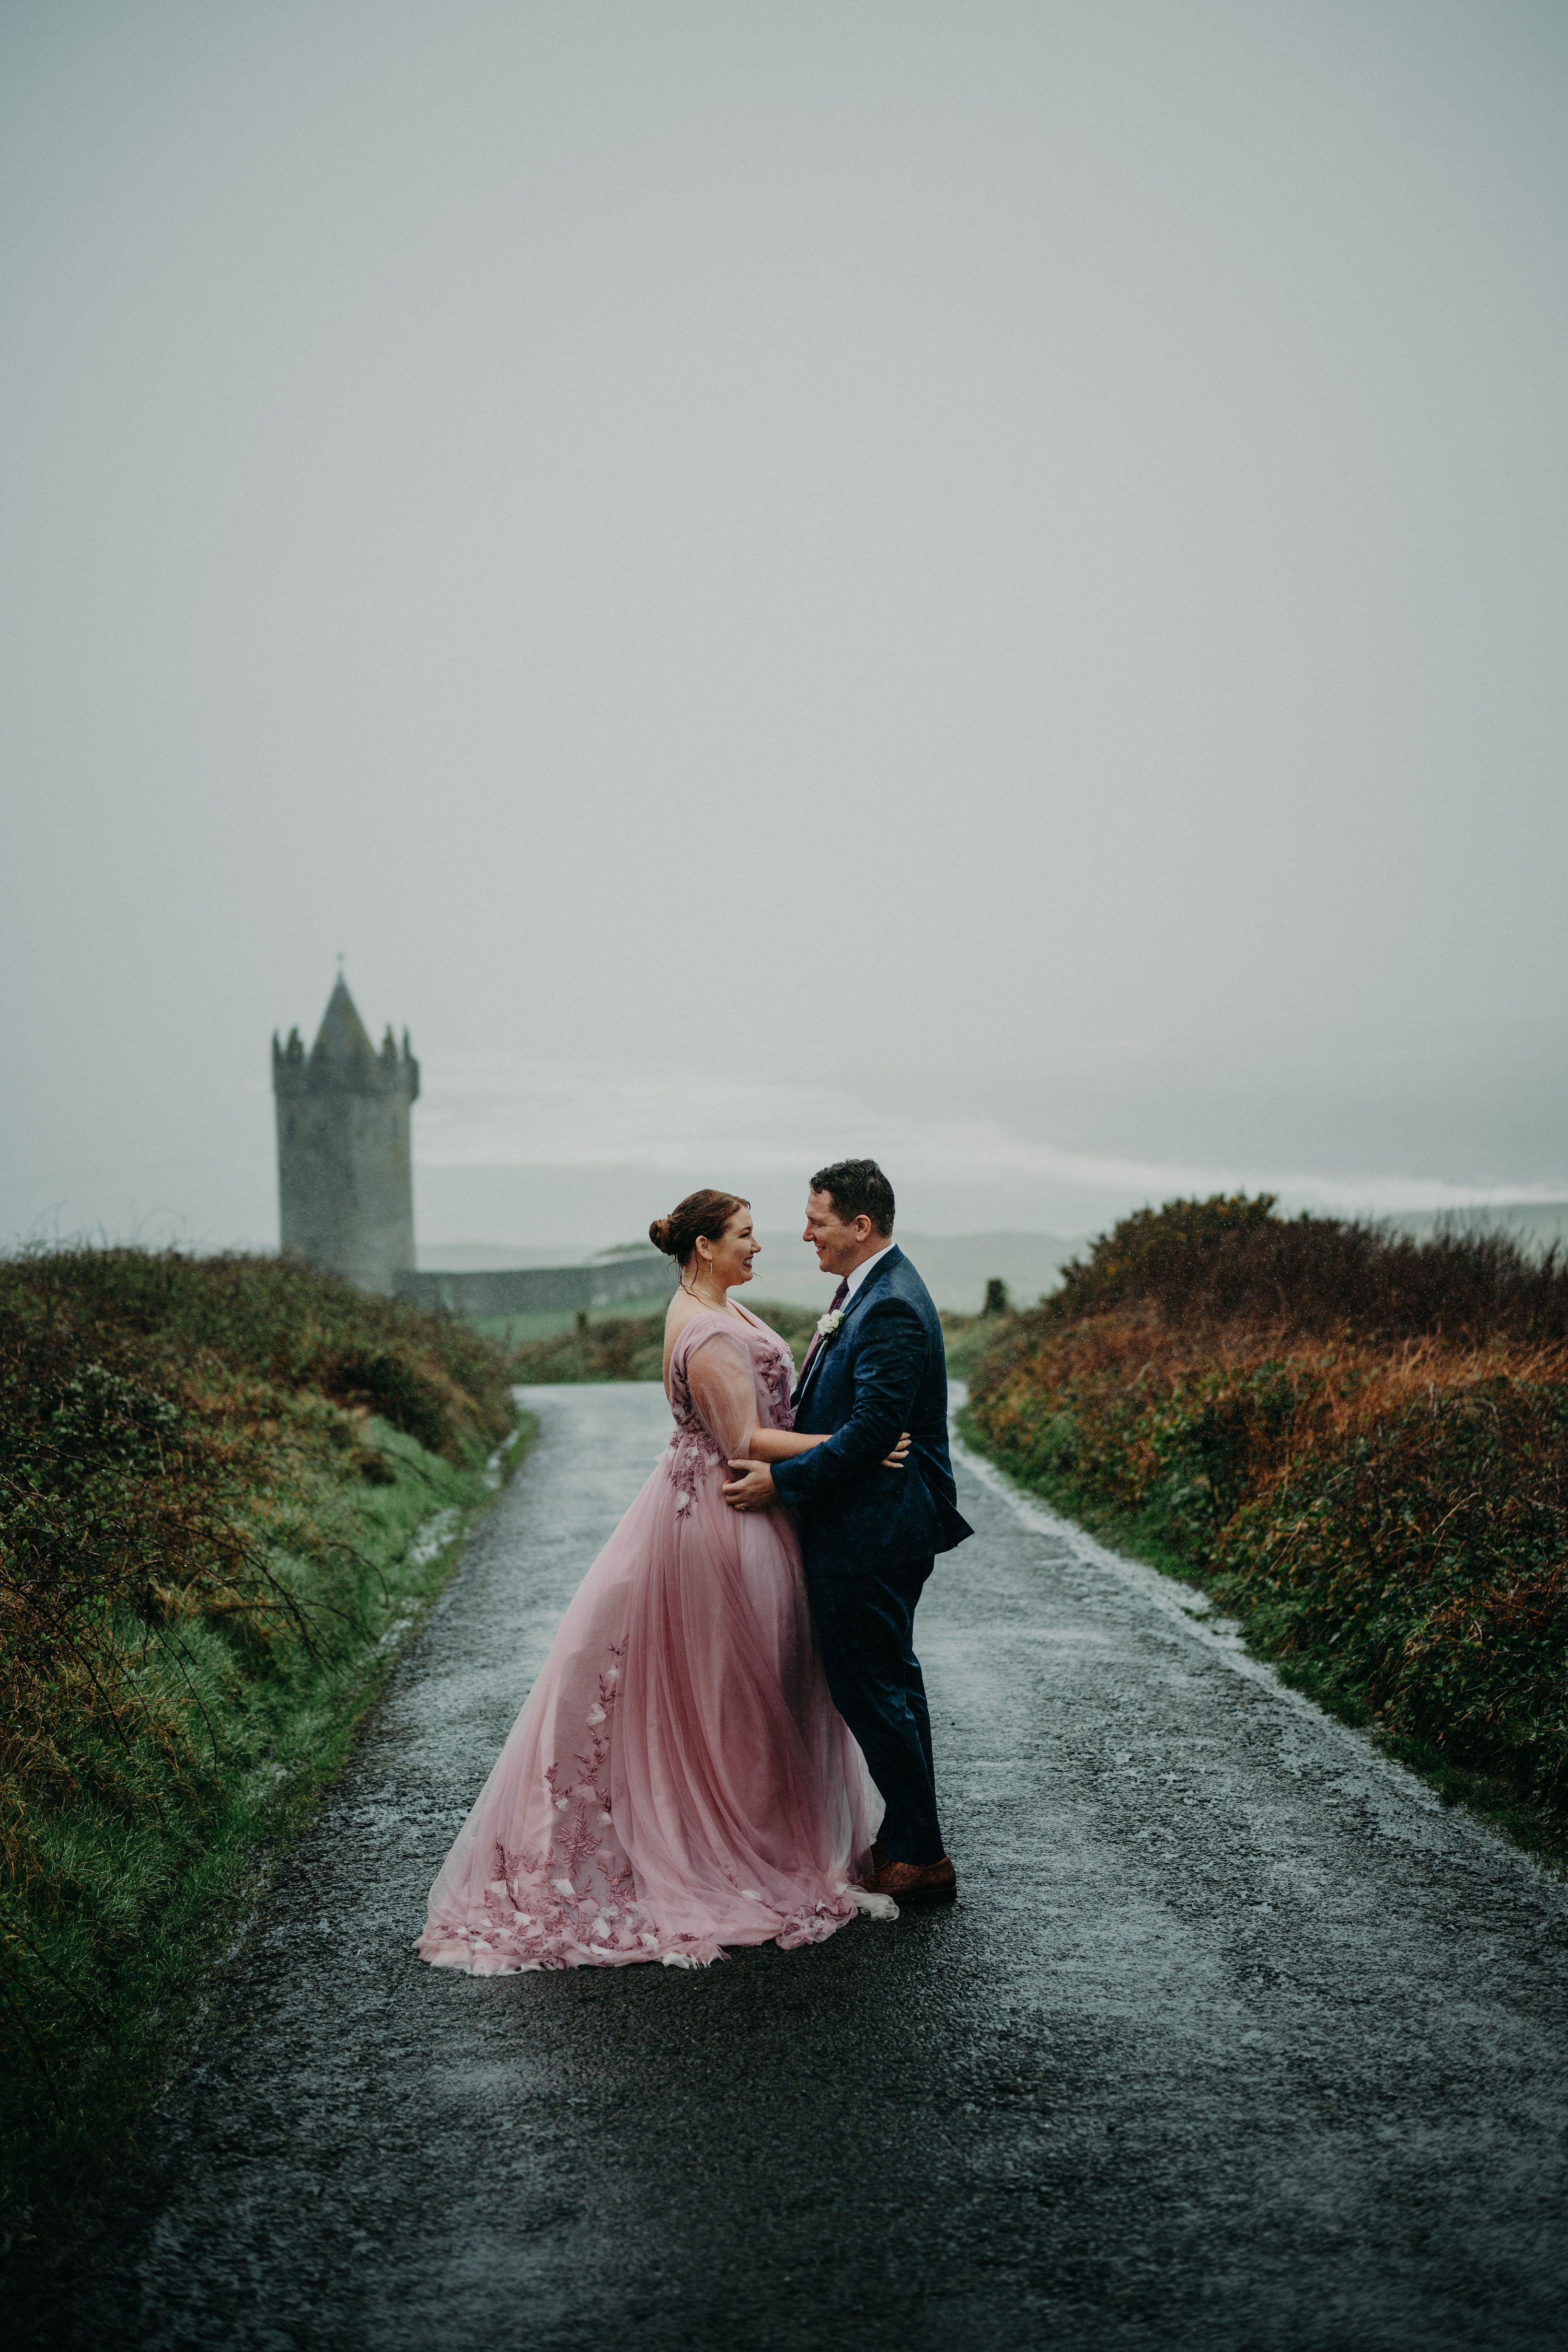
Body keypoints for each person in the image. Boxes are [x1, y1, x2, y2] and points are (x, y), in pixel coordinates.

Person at [416, 1189, 909, 1973]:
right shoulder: (710, 1327)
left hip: (731, 1510)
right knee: (738, 1693)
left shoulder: (715, 1306)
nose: (760, 1246)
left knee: (741, 1690)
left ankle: (754, 1834)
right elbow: (741, 1438)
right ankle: (729, 1850)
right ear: (705, 1247)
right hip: (727, 1521)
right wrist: (853, 1442)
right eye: (745, 1235)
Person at [723, 1159, 972, 1904]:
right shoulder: (864, 1292)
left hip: (879, 1526)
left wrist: (782, 1481)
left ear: (860, 1226)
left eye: (818, 1222)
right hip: (872, 1521)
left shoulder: (891, 1304)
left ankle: (922, 1855)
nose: (805, 1235)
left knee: (870, 1688)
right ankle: (909, 1839)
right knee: (890, 1682)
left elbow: (871, 1435)